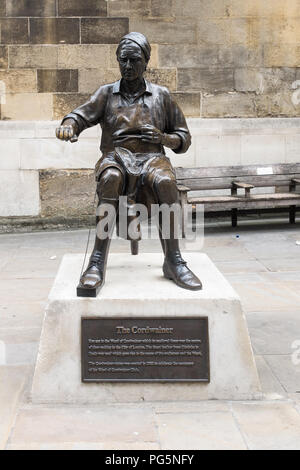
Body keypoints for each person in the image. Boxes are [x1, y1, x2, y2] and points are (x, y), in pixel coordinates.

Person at [56, 32, 202, 295]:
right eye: (123, 60)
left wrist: (163, 138)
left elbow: (184, 139)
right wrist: (69, 125)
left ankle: (174, 260)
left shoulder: (161, 96)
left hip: (152, 158)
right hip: (116, 157)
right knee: (110, 178)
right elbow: (80, 115)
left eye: (134, 60)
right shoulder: (106, 94)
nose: (128, 66)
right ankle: (96, 263)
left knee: (167, 181)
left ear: (146, 62)